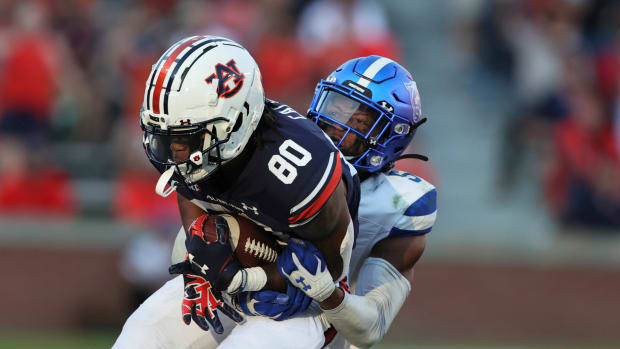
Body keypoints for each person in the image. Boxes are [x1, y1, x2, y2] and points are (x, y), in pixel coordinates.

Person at [113, 35, 360, 349]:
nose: (174, 150)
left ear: (239, 119)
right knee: (141, 335)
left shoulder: (300, 168)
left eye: (187, 137)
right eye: (166, 137)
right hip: (226, 281)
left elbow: (329, 270)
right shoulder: (192, 150)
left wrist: (246, 277)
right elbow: (189, 192)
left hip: (297, 301)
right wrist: (202, 247)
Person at [243, 55, 436, 348]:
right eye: (334, 108)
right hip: (238, 300)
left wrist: (327, 293)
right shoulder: (281, 151)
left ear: (391, 137)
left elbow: (371, 328)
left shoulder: (399, 204)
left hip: (314, 329)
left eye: (356, 120)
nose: (334, 127)